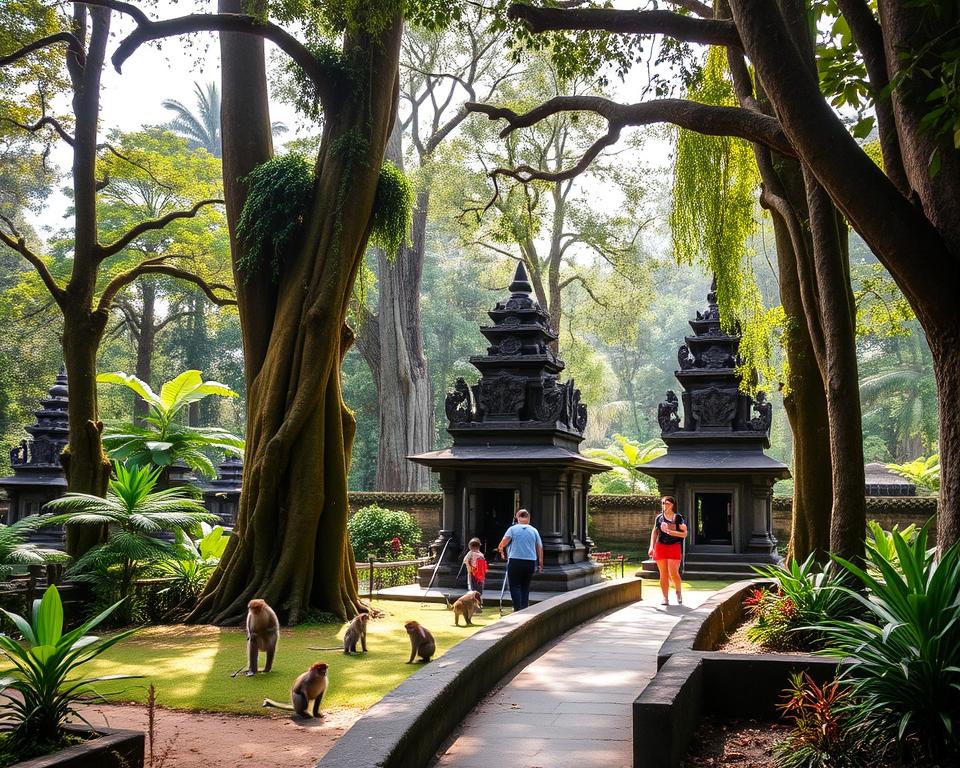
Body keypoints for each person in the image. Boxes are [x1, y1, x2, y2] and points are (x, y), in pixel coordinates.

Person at [497, 509, 543, 611]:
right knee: (525, 586)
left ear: (517, 518)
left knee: (514, 585)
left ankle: (517, 608)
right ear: (528, 518)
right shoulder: (534, 530)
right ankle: (524, 607)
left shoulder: (512, 529)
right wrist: (540, 563)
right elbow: (539, 547)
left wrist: (501, 550)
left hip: (515, 561)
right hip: (530, 562)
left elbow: (503, 543)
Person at [648, 496, 687, 606]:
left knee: (673, 572)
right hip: (661, 546)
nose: (665, 505)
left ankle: (678, 591)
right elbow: (655, 532)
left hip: (674, 546)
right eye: (663, 503)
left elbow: (684, 532)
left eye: (668, 503)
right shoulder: (659, 518)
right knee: (663, 573)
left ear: (673, 505)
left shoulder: (678, 518)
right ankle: (665, 598)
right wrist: (651, 546)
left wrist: (673, 531)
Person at [463, 537, 488, 607]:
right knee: (475, 589)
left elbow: (465, 560)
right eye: (473, 546)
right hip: (475, 574)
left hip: (477, 574)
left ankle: (477, 603)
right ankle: (476, 603)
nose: (474, 548)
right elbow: (466, 561)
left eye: (475, 546)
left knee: (476, 589)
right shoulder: (474, 554)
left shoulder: (477, 554)